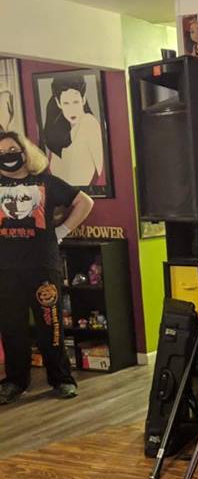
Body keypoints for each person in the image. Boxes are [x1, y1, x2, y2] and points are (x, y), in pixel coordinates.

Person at [0, 131, 93, 404]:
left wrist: (62, 231)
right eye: (1, 153)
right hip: (5, 270)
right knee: (11, 327)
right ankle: (15, 382)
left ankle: (62, 379)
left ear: (25, 152)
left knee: (50, 326)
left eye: (12, 150)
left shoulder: (46, 182)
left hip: (43, 267)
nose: (7, 157)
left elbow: (85, 202)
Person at [43, 73, 105, 189]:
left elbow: (102, 174)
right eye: (66, 103)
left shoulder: (89, 123)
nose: (72, 109)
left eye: (75, 102)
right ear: (58, 103)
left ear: (83, 99)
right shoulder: (58, 133)